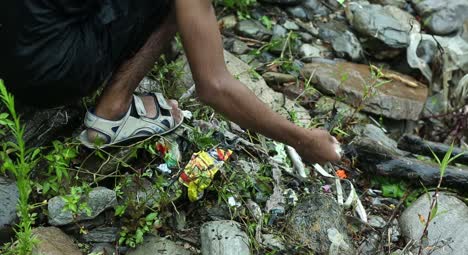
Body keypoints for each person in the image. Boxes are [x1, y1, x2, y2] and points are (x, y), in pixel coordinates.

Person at [0, 0, 341, 164]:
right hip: (50, 73)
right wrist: (301, 139)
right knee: (180, 5)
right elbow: (214, 85)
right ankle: (112, 110)